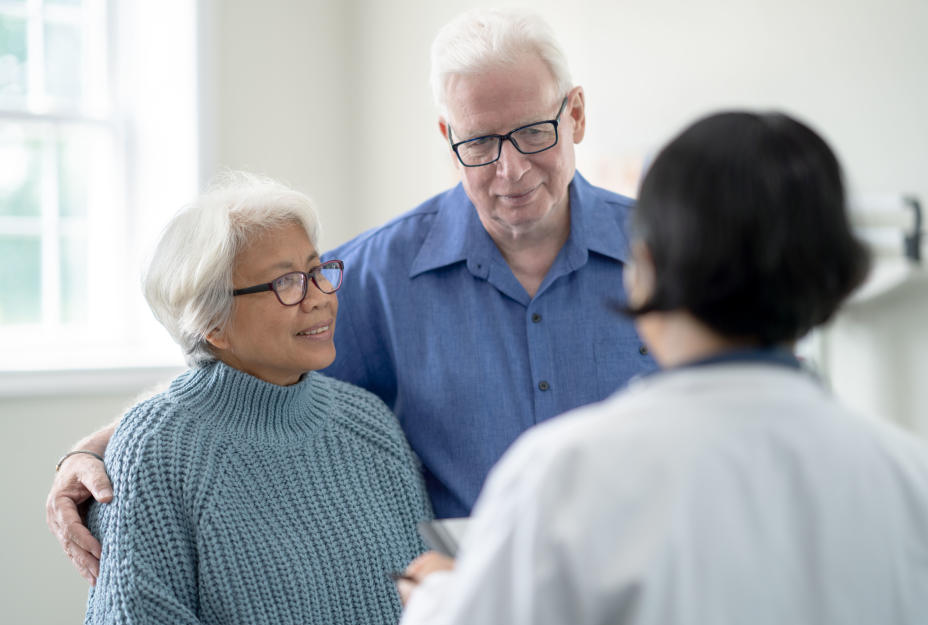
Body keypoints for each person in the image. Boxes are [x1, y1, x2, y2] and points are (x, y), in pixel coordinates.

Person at [47, 8, 655, 583]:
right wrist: (92, 450)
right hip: (468, 611)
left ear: (575, 114)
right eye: (480, 143)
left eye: (532, 132)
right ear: (447, 137)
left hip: (654, 596)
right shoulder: (374, 274)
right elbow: (239, 377)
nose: (511, 169)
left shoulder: (672, 260)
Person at [393, 111, 928, 625]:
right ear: (834, 272)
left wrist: (439, 600)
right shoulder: (909, 477)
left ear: (642, 267)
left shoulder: (566, 475)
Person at [83, 172, 431, 625]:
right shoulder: (156, 450)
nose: (320, 299)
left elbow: (433, 603)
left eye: (316, 271)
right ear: (212, 322)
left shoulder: (368, 422)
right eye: (287, 282)